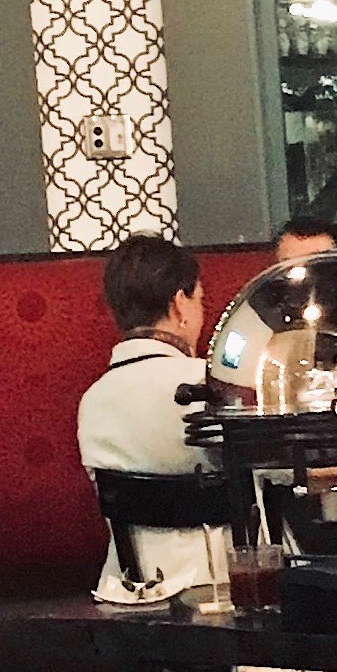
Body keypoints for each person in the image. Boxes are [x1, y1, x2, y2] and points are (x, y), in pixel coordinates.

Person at [78, 233, 225, 602]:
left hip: (128, 594)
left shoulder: (92, 401)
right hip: (223, 588)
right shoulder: (210, 386)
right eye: (199, 300)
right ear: (179, 304)